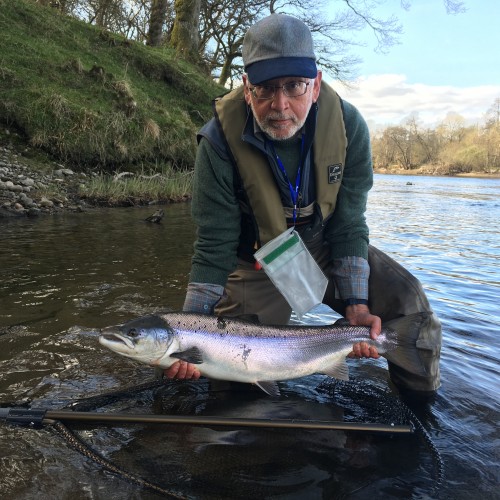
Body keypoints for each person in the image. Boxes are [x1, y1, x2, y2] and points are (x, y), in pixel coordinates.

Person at [165, 13, 441, 393]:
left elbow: (348, 224)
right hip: (257, 259)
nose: (280, 105)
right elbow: (214, 245)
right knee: (238, 371)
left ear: (316, 85)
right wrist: (190, 331)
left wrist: (356, 303)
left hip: (323, 244)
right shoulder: (217, 144)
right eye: (265, 88)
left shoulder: (349, 128)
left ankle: (418, 409)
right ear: (247, 88)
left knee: (408, 302)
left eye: (294, 86)